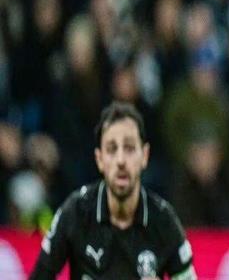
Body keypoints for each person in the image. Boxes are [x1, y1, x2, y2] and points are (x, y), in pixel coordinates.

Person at [29, 101, 197, 280]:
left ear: (145, 156)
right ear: (99, 159)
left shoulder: (164, 221)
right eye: (111, 149)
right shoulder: (76, 212)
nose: (121, 160)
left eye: (129, 148)